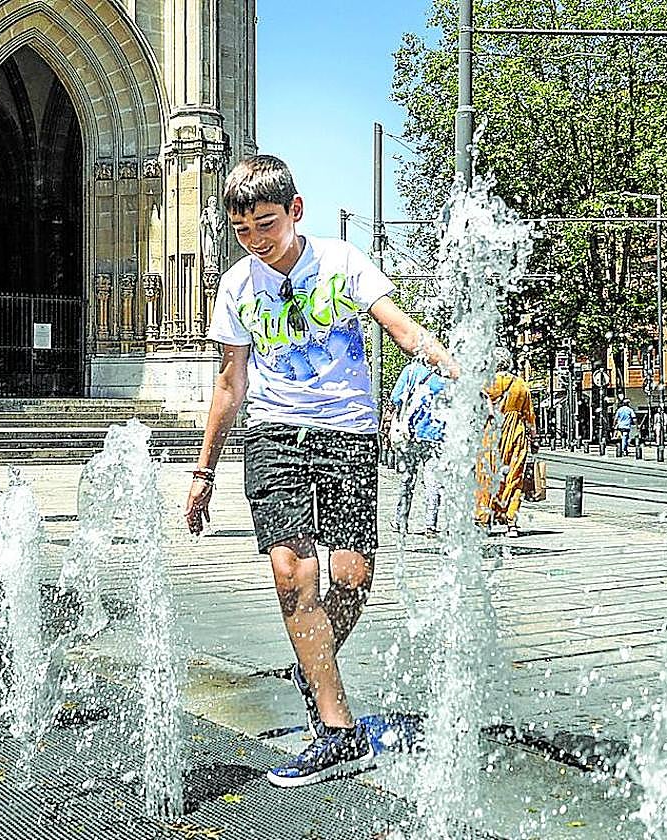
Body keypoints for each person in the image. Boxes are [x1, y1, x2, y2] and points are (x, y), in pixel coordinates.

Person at [183, 155, 455, 788]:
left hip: (349, 436)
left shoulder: (340, 261)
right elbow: (230, 383)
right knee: (292, 575)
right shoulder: (234, 286)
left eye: (266, 225)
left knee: (352, 577)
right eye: (242, 229)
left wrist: (442, 356)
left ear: (295, 211)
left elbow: (396, 323)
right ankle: (336, 730)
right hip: (274, 437)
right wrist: (205, 470)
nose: (255, 241)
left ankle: (313, 665)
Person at [475, 350, 536, 537]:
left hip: (491, 434)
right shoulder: (520, 385)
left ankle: (484, 519)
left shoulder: (486, 383)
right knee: (514, 477)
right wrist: (534, 438)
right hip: (516, 435)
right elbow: (529, 416)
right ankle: (511, 523)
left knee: (486, 475)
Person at [389, 358, 449, 537]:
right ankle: (430, 524)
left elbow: (395, 397)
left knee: (407, 479)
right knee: (433, 482)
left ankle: (401, 522)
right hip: (436, 435)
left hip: (411, 434)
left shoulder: (411, 371)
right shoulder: (443, 376)